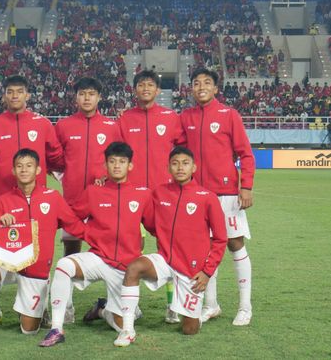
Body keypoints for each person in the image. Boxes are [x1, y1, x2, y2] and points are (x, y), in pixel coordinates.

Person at [0, 149, 85, 346]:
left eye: (29, 166)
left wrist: (101, 239)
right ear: (13, 170)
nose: (23, 170)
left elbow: (75, 225)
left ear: (38, 170)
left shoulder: (52, 197)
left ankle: (39, 306)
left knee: (28, 329)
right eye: (19, 166)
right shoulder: (3, 201)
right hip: (6, 263)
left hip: (35, 270)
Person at [39, 142, 152, 347]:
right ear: (106, 165)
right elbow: (72, 217)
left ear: (130, 165)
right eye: (112, 161)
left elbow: (154, 225)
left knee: (121, 324)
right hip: (98, 257)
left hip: (126, 268)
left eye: (122, 162)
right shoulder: (93, 192)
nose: (117, 166)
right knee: (64, 265)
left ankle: (102, 309)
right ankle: (56, 328)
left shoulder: (143, 194)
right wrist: (87, 233)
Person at [114, 146, 227, 346]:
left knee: (190, 330)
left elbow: (220, 239)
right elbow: (145, 214)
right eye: (175, 164)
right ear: (168, 168)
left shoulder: (207, 197)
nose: (180, 168)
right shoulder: (158, 193)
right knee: (134, 268)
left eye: (185, 163)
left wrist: (208, 272)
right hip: (165, 259)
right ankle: (127, 330)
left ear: (194, 167)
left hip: (191, 270)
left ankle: (199, 312)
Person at [179, 68, 256, 326]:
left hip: (226, 194)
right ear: (191, 88)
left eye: (207, 83)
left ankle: (245, 306)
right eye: (196, 83)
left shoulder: (228, 115)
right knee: (204, 250)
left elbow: (245, 153)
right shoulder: (185, 117)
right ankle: (211, 305)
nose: (201, 86)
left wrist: (245, 186)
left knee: (234, 245)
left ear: (215, 88)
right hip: (197, 195)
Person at [51, 77, 122, 320]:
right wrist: (64, 178)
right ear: (76, 97)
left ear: (100, 97)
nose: (87, 98)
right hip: (72, 201)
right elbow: (54, 159)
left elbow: (119, 161)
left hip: (104, 202)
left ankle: (114, 302)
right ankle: (67, 306)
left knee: (110, 251)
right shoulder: (63, 126)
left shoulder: (112, 127)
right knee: (70, 250)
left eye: (92, 93)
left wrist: (106, 178)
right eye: (82, 94)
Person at [117, 69, 183, 322]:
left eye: (150, 85)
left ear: (158, 90)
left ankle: (173, 305)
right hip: (132, 195)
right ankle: (132, 304)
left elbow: (182, 153)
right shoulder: (124, 120)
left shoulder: (171, 117)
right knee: (131, 248)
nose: (145, 88)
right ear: (135, 90)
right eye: (141, 84)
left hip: (163, 194)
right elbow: (115, 154)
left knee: (170, 249)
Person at [0, 75, 63, 200]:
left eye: (19, 92)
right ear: (4, 96)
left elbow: (56, 157)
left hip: (36, 197)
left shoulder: (43, 124)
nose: (15, 96)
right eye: (10, 92)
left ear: (27, 95)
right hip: (3, 198)